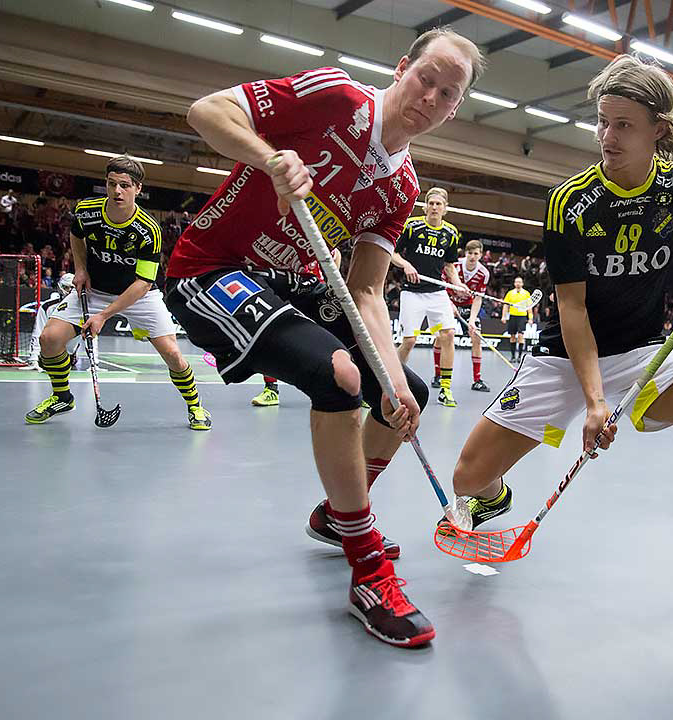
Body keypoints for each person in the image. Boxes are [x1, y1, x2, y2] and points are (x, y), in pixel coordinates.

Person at [445, 54, 673, 637]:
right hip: (564, 359)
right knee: (466, 478)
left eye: (623, 124)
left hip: (641, 354)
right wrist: (592, 401)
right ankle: (494, 496)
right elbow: (574, 310)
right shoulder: (572, 202)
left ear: (659, 128)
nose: (607, 136)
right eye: (602, 121)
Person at [163, 27, 484, 647]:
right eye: (426, 79)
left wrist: (390, 380)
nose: (431, 97)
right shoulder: (337, 97)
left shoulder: (403, 189)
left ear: (454, 108)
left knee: (403, 395)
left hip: (301, 279)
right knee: (340, 376)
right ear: (402, 69)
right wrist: (269, 157)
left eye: (448, 94)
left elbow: (364, 290)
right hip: (212, 268)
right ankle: (367, 570)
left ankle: (337, 517)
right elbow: (207, 111)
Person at [24, 155, 211, 431]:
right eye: (112, 184)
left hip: (139, 296)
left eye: (124, 185)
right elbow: (77, 236)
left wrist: (104, 315)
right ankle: (62, 397)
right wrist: (80, 268)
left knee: (173, 353)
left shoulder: (149, 230)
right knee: (49, 339)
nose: (117, 192)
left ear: (138, 189)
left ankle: (195, 406)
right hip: (95, 289)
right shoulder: (87, 210)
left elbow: (143, 283)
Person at [391, 186, 467, 407]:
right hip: (412, 292)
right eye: (431, 203)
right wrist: (406, 265)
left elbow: (450, 266)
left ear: (445, 208)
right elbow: (393, 253)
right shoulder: (412, 227)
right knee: (409, 341)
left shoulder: (451, 233)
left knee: (448, 335)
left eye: (438, 204)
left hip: (437, 292)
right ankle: (388, 382)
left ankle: (445, 389)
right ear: (425, 206)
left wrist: (458, 284)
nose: (434, 207)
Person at [251, 248, 341, 407]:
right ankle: (271, 389)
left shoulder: (315, 232)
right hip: (283, 287)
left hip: (312, 291)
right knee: (269, 333)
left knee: (335, 339)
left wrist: (331, 282)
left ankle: (357, 388)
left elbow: (336, 254)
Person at [447, 238, 491, 392]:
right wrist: (449, 304)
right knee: (443, 336)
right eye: (470, 253)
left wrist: (472, 320)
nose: (472, 256)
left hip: (468, 306)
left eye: (476, 253)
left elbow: (478, 298)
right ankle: (438, 376)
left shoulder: (484, 273)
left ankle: (477, 380)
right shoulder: (454, 265)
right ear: (465, 253)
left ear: (481, 255)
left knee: (476, 337)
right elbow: (442, 287)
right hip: (448, 302)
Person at [501, 276, 532, 362]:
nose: (518, 284)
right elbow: (506, 305)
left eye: (519, 282)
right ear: (514, 284)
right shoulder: (510, 293)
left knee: (520, 335)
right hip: (513, 316)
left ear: (522, 284)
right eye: (516, 282)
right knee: (512, 336)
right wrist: (504, 316)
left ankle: (519, 356)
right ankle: (513, 356)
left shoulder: (526, 294)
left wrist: (530, 318)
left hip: (522, 316)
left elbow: (529, 306)